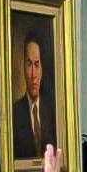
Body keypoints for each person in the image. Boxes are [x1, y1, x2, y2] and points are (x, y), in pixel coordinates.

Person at [11, 29, 56, 160]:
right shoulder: (14, 113)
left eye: (37, 64)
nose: (33, 74)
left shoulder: (53, 112)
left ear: (42, 68)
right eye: (29, 64)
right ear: (23, 67)